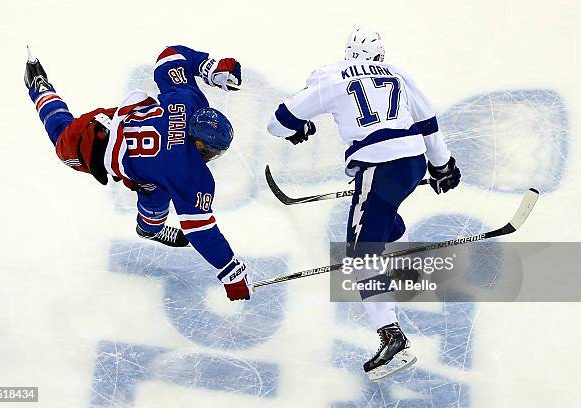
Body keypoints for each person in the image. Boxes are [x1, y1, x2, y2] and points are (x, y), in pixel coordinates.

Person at [266, 28, 461, 380]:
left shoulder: (330, 75)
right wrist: (442, 165)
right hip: (412, 161)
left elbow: (278, 122)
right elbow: (427, 120)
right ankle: (394, 255)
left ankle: (393, 340)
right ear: (379, 56)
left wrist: (297, 129)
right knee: (381, 216)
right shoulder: (396, 72)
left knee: (359, 256)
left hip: (379, 165)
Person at [24, 44, 251, 301]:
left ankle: (149, 229)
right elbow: (200, 231)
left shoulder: (188, 101)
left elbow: (169, 56)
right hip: (90, 147)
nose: (212, 158)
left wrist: (207, 66)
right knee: (60, 131)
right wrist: (231, 272)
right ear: (199, 145)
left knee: (158, 185)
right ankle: (39, 88)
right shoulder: (187, 173)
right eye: (211, 152)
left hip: (113, 123)